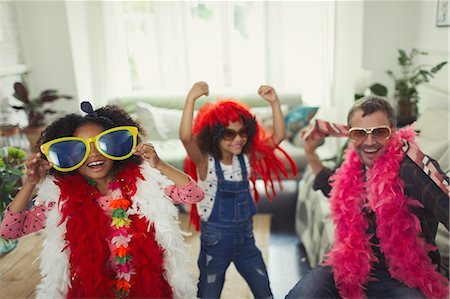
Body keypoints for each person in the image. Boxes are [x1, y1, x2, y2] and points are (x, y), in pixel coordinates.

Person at [0, 101, 204, 298]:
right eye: (80, 148)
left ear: (118, 146)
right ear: (68, 156)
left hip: (143, 283)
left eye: (103, 143)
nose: (94, 153)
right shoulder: (60, 200)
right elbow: (10, 230)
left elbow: (194, 194)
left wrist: (159, 164)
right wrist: (30, 183)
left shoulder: (143, 187)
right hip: (91, 288)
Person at [286, 96, 449, 299]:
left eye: (379, 132)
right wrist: (310, 153)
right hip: (352, 267)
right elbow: (336, 189)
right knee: (302, 295)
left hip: (404, 278)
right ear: (350, 135)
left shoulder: (413, 170)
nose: (369, 142)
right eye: (360, 133)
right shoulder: (354, 165)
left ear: (393, 130)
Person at [180, 81, 296, 299]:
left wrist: (275, 102)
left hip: (246, 242)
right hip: (215, 245)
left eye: (242, 132)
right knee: (208, 294)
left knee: (265, 292)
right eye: (229, 134)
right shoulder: (205, 163)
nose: (238, 139)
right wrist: (191, 99)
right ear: (215, 135)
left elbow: (278, 137)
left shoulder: (246, 159)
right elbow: (186, 138)